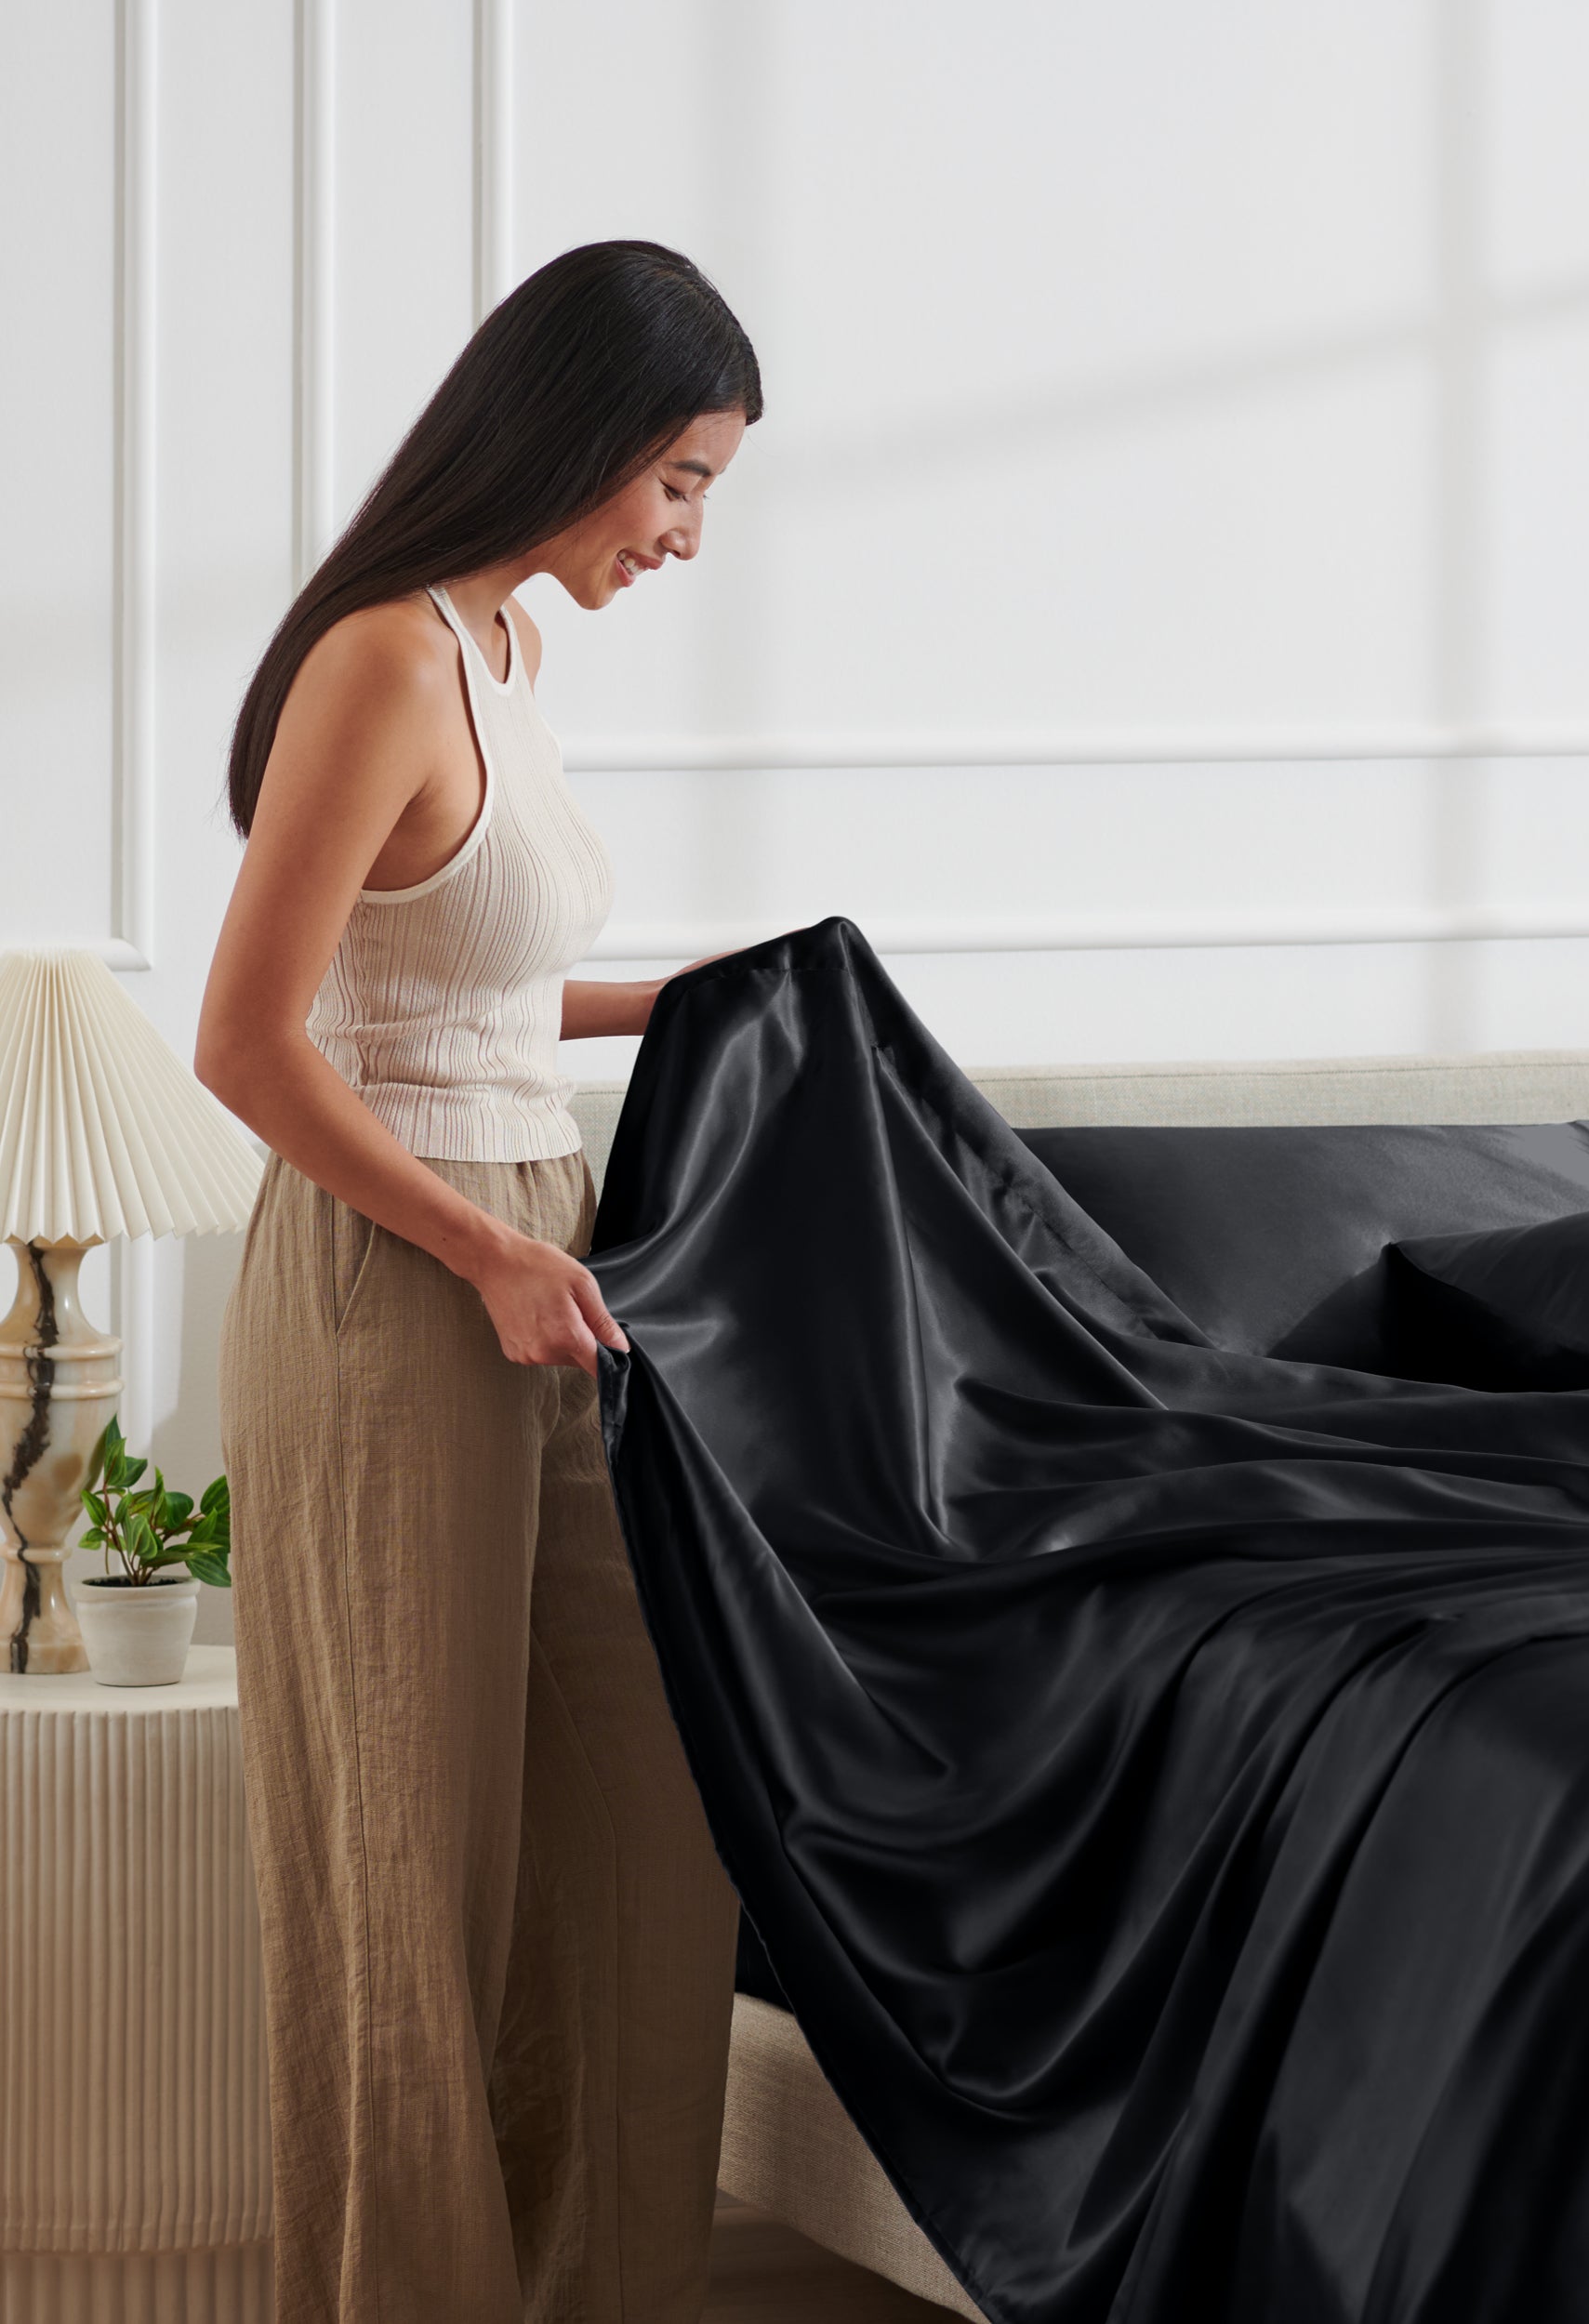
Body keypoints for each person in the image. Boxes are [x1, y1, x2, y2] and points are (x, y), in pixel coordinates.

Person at [197, 240, 758, 2322]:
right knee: (408, 1874)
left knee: (637, 1829)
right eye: (680, 480)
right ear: (591, 430)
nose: (686, 534)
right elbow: (252, 1041)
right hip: (397, 1271)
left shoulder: (506, 651)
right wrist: (479, 1245)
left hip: (542, 1239)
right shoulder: (381, 657)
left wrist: (697, 994)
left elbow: (472, 985)